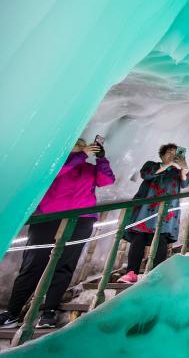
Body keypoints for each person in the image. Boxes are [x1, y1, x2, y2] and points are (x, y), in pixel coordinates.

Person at [0, 138, 115, 329]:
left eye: (82, 144)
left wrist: (102, 159)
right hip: (48, 218)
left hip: (80, 220)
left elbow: (107, 180)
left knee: (64, 265)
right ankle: (13, 312)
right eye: (76, 144)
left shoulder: (88, 168)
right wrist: (81, 155)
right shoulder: (55, 165)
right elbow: (54, 175)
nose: (81, 147)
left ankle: (49, 311)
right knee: (33, 264)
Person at [118, 143, 189, 283]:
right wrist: (166, 165)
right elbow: (146, 174)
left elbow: (185, 183)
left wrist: (184, 168)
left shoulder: (177, 173)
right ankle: (131, 273)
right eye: (169, 152)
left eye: (176, 153)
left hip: (166, 214)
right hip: (145, 211)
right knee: (138, 239)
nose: (173, 155)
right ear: (162, 155)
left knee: (161, 241)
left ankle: (156, 273)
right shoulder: (151, 165)